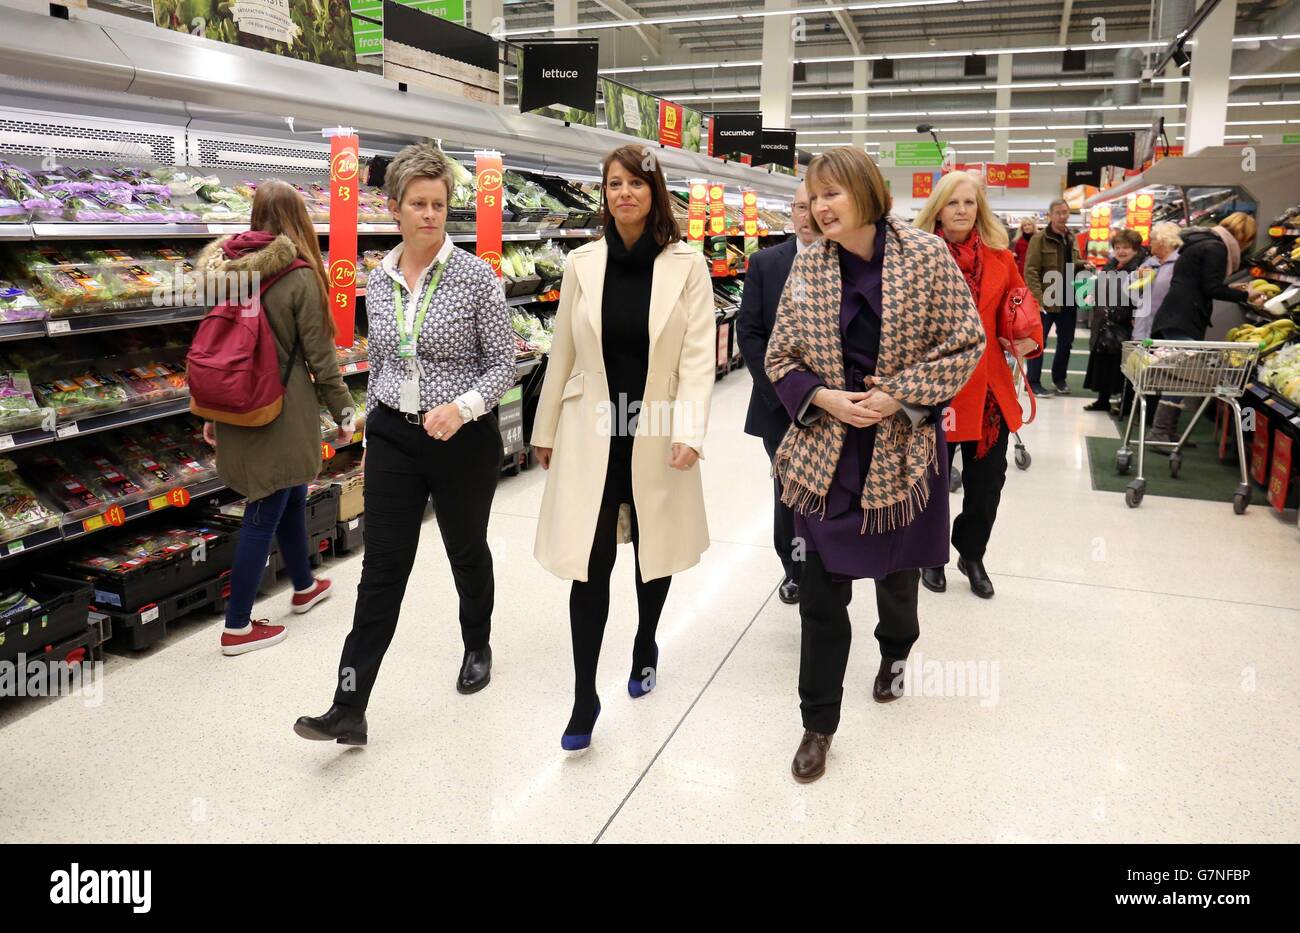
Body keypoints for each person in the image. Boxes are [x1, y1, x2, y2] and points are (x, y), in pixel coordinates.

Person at [764, 147, 984, 783]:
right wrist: (825, 397)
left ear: (865, 192)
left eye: (832, 194)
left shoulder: (926, 257)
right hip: (827, 454)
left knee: (897, 577)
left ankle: (895, 653)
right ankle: (818, 723)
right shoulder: (808, 268)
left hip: (903, 453)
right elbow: (780, 357)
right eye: (814, 196)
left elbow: (965, 342)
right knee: (822, 595)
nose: (820, 207)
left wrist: (900, 396)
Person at [295, 143, 515, 745]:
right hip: (394, 434)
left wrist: (463, 407)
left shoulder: (477, 277)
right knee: (383, 566)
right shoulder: (378, 277)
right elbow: (385, 365)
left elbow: (503, 364)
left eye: (439, 204)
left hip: (462, 438)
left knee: (465, 549)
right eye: (417, 204)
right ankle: (349, 702)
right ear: (394, 208)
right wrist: (372, 431)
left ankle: (477, 644)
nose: (429, 214)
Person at [530, 144, 714, 753]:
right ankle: (585, 693)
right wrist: (545, 427)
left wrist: (690, 430)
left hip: (657, 425)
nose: (624, 193)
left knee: (652, 549)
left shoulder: (686, 265)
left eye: (636, 183)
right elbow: (562, 352)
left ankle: (644, 643)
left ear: (653, 192)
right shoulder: (582, 264)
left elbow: (695, 359)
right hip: (592, 430)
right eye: (613, 184)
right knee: (592, 559)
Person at [198, 180, 354, 657]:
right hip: (278, 408)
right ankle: (237, 627)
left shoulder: (227, 270)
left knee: (286, 493)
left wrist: (211, 411)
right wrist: (344, 409)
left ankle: (304, 585)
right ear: (298, 219)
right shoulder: (300, 274)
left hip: (234, 403)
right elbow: (320, 356)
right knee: (264, 508)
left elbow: (217, 346)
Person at [913, 171, 1042, 600]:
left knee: (987, 484)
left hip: (988, 389)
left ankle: (971, 553)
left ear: (979, 209)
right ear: (938, 208)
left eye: (970, 203)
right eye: (953, 203)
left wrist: (1026, 334)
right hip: (936, 390)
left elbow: (1022, 304)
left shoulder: (1002, 259)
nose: (962, 210)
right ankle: (930, 555)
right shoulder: (917, 256)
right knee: (930, 481)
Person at [738, 181, 818, 605]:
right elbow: (749, 332)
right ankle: (793, 568)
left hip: (834, 406)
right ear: (792, 212)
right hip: (778, 407)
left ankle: (824, 564)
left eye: (815, 207)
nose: (807, 217)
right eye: (800, 208)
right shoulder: (766, 264)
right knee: (789, 489)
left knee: (824, 488)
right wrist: (782, 392)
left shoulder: (847, 262)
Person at [1147, 211, 1259, 443]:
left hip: (1176, 314)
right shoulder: (1216, 248)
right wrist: (1246, 295)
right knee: (1183, 376)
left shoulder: (1200, 242)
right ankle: (1160, 431)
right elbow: (1211, 288)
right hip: (1184, 317)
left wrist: (1232, 289)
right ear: (1243, 237)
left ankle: (1166, 430)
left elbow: (1201, 282)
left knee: (1181, 375)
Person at [1120, 223, 1182, 419]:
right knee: (1140, 372)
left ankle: (1155, 417)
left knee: (1162, 373)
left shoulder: (1179, 265)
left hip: (1165, 330)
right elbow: (1127, 287)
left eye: (1153, 240)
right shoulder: (1150, 263)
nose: (1150, 244)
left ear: (1163, 242)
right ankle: (1137, 411)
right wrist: (1136, 276)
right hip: (1142, 326)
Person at [1023, 199, 1083, 398]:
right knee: (1039, 342)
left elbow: (1070, 264)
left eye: (1065, 212)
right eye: (1058, 212)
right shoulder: (1039, 239)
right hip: (1047, 300)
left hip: (1068, 299)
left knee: (1066, 342)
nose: (1062, 216)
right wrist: (1038, 299)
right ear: (1050, 215)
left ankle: (1060, 379)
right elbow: (1030, 271)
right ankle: (1033, 382)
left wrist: (1083, 264)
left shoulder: (1071, 238)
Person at [1082, 229, 1146, 414]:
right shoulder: (1111, 266)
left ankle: (1124, 404)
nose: (1121, 251)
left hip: (1124, 321)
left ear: (1135, 249)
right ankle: (1103, 400)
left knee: (1122, 364)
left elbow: (1141, 295)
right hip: (1105, 320)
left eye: (1126, 247)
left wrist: (1133, 315)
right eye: (1118, 247)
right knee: (1103, 361)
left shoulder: (1139, 269)